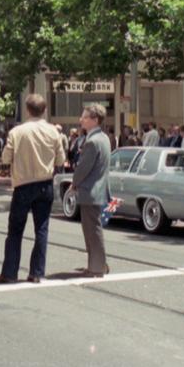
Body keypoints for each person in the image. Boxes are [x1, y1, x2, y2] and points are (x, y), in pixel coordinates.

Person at [0, 95, 67, 284]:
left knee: (15, 231)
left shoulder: (17, 132)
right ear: (45, 110)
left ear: (27, 110)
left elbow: (6, 158)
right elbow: (60, 160)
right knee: (41, 229)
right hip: (45, 184)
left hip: (23, 184)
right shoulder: (53, 132)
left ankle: (9, 273)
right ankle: (37, 273)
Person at [72, 103, 112, 278]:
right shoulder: (104, 138)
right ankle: (97, 264)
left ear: (95, 120)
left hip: (90, 191)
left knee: (92, 230)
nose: (81, 119)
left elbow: (83, 168)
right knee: (92, 229)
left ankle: (97, 266)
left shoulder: (92, 141)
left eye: (85, 117)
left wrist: (74, 182)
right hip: (98, 190)